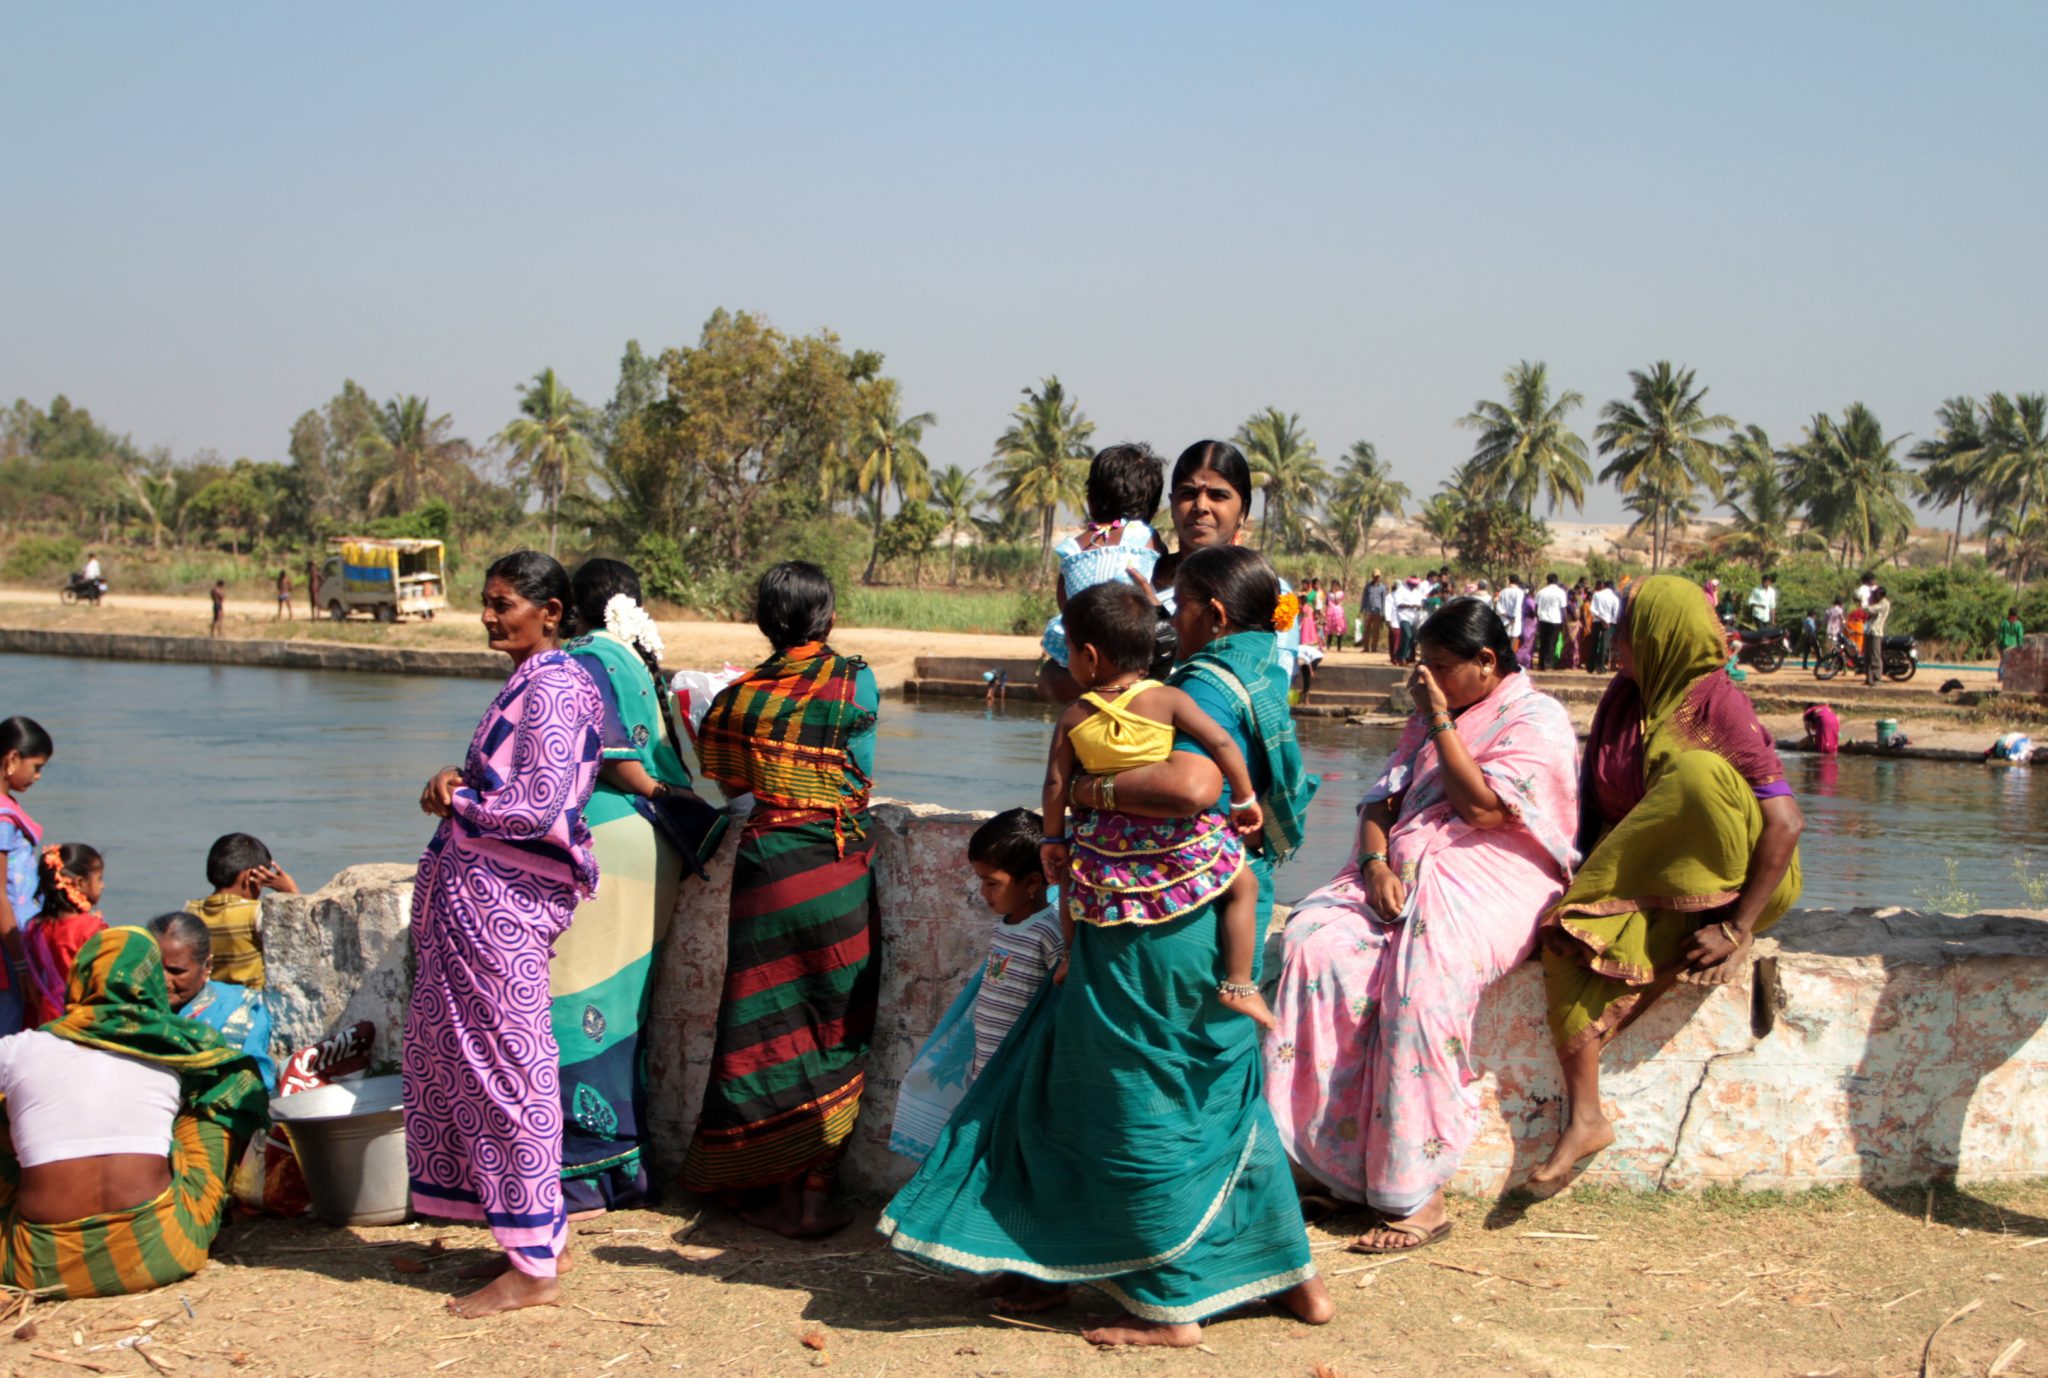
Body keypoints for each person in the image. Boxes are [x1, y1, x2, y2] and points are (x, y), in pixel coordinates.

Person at [882, 544, 1332, 1346]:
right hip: (1218, 900)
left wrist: (1083, 801)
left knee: (1135, 1098)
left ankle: (1166, 1297)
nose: (1174, 620)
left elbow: (1190, 786)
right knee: (1217, 1096)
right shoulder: (1259, 673)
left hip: (1146, 929)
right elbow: (1234, 786)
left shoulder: (1193, 687)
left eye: (1181, 605)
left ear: (1212, 615)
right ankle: (1288, 1270)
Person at [1267, 599, 1577, 1249]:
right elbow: (1380, 801)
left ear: (1486, 661)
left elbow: (1484, 810)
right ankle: (1333, 1168)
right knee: (1316, 946)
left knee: (1421, 983)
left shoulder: (1536, 719)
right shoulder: (1429, 717)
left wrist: (1439, 720)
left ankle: (1420, 1195)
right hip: (1404, 872)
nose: (1424, 679)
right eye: (1422, 666)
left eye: (1438, 666)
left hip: (1493, 877)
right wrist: (1376, 864)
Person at [1529, 575, 1803, 1186]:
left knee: (1696, 774)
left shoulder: (1719, 704)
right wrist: (1577, 880)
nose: (1615, 643)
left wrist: (1736, 927)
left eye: (1627, 632)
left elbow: (1785, 823)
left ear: (1661, 636)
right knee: (1569, 943)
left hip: (1746, 878)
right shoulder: (1624, 697)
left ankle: (1729, 925)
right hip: (1657, 871)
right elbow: (1595, 804)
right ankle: (1587, 1117)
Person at [405, 549, 604, 1317]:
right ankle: (536, 1238)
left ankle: (532, 1268)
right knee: (484, 1062)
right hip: (484, 896)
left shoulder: (553, 684)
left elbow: (538, 806)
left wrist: (458, 803)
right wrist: (459, 784)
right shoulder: (535, 679)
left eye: (502, 604)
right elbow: (508, 784)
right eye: (485, 604)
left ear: (550, 611)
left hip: (503, 903)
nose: (488, 617)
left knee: (507, 1073)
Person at [683, 561, 880, 1239]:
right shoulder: (854, 680)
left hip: (768, 866)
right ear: (829, 616)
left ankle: (753, 1182)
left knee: (759, 1026)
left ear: (764, 621)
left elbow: (730, 782)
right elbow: (861, 770)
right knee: (835, 1022)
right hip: (836, 866)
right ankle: (817, 1194)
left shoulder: (738, 696)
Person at [1041, 582, 1271, 1028]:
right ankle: (1239, 982)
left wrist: (1053, 840)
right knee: (1243, 884)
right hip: (1178, 840)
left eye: (1067, 651)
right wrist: (1244, 798)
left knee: (1071, 881)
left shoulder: (1074, 715)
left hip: (1105, 842)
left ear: (1089, 656)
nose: (1067, 661)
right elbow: (1222, 743)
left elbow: (1056, 783)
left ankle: (1070, 956)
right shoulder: (1168, 698)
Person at [557, 558, 708, 1216]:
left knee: (572, 1007)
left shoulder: (585, 657)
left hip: (604, 840)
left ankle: (579, 1175)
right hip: (651, 846)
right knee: (620, 1016)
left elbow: (616, 761)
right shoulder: (637, 661)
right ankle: (625, 1171)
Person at [0, 928, 266, 1298]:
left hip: (36, 1264)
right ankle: (211, 1209)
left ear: (79, 980)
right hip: (160, 1251)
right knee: (228, 1084)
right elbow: (241, 1075)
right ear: (151, 984)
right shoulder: (180, 1050)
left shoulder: (19, 1049)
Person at [1039, 441, 1304, 704]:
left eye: (1218, 495)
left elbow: (1270, 692)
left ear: (1243, 511)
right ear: (1171, 504)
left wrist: (1157, 657)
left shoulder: (1265, 592)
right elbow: (1055, 678)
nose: (1201, 505)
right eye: (1188, 493)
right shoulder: (1131, 572)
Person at [889, 808, 1062, 1165]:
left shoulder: (1049, 931)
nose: (982, 892)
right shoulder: (1004, 925)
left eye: (991, 883)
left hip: (1020, 1069)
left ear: (1032, 882)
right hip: (985, 1065)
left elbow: (1058, 999)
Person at [1040, 444, 1168, 669]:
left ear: (1090, 500)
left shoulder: (1073, 547)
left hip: (1084, 646)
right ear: (1152, 508)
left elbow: (1064, 602)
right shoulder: (1145, 536)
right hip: (1131, 641)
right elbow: (1161, 581)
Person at [147, 911, 277, 1094]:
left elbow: (250, 1088)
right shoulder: (131, 1009)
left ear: (207, 965)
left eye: (176, 971)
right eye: (153, 968)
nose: (162, 980)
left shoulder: (242, 1011)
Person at [185, 834, 296, 992]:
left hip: (208, 997)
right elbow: (297, 939)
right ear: (249, 877)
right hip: (250, 1000)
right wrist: (291, 891)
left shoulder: (191, 911)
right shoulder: (256, 912)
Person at [0, 718, 50, 1037]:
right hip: (8, 940)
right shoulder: (2, 818)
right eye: (36, 766)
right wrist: (19, 963)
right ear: (13, 758)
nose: (38, 776)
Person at [23, 844, 107, 1028]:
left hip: (49, 1016)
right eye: (99, 878)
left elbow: (33, 983)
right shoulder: (91, 929)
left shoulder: (34, 927)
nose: (103, 885)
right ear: (79, 883)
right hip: (83, 1021)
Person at [1534, 573, 1568, 670]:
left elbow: (1536, 607)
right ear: (1556, 581)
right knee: (1552, 642)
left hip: (1543, 619)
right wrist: (1565, 623)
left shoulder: (1541, 592)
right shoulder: (1561, 592)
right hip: (1555, 620)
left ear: (1547, 581)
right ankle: (1548, 664)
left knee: (1543, 642)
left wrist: (1538, 617)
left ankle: (1541, 664)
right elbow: (1563, 609)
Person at [1391, 575, 1426, 664]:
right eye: (1413, 584)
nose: (1414, 586)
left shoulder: (1417, 592)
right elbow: (1398, 604)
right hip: (1404, 616)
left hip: (1415, 617)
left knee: (1413, 638)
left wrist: (1421, 605)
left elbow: (1422, 600)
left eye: (1416, 584)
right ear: (1409, 583)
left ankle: (1407, 657)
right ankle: (1400, 656)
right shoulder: (1401, 590)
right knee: (1407, 635)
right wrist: (1410, 606)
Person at [1588, 578, 1621, 672]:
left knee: (1594, 643)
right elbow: (1615, 614)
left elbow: (1592, 610)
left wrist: (1600, 619)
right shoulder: (1615, 598)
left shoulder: (1597, 594)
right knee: (1604, 645)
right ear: (1612, 587)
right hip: (1608, 622)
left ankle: (1590, 667)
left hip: (1596, 621)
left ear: (1604, 586)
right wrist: (1609, 622)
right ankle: (1600, 667)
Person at [1864, 585, 1891, 685]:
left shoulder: (1884, 603)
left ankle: (1877, 679)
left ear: (1880, 594)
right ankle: (1869, 678)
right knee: (1868, 656)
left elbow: (1870, 610)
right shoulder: (1877, 603)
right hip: (1869, 631)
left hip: (1876, 632)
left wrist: (1864, 604)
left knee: (1875, 656)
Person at [1494, 575, 1525, 653]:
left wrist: (1506, 615)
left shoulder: (1503, 591)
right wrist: (1512, 617)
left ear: (1509, 580)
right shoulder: (1519, 592)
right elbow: (1517, 606)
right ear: (1518, 581)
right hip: (1514, 620)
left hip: (1504, 619)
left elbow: (1498, 607)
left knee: (1503, 642)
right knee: (1512, 641)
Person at [1361, 571, 1387, 653]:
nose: (1376, 578)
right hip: (1368, 611)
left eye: (1378, 576)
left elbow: (1384, 600)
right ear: (1372, 576)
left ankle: (1374, 648)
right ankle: (1366, 647)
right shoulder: (1368, 586)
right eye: (1375, 576)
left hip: (1377, 611)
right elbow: (1364, 598)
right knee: (1366, 630)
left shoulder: (1383, 587)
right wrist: (1361, 609)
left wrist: (1383, 612)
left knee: (1376, 631)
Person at [1999, 607, 2026, 682]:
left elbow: (2020, 636)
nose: (2015, 618)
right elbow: (2020, 636)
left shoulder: (2005, 623)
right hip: (2007, 646)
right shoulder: (2016, 624)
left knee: (2006, 662)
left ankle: (2004, 676)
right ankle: (2002, 677)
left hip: (2012, 646)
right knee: (2004, 662)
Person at [1324, 581, 1347, 648]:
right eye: (1333, 585)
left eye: (1336, 586)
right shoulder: (1328, 593)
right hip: (1330, 612)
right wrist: (1324, 611)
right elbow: (1326, 603)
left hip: (1338, 613)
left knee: (1339, 628)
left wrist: (1335, 594)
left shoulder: (1340, 593)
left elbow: (1337, 602)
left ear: (1338, 586)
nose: (1334, 587)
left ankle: (1339, 645)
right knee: (1329, 629)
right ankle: (1328, 645)